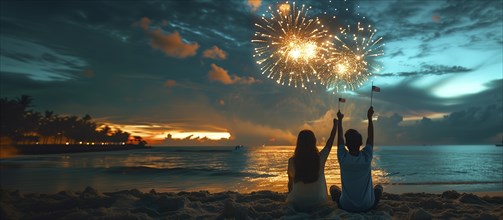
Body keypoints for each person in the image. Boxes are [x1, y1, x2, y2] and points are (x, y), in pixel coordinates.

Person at [330, 106, 383, 212]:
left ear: (346, 144)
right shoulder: (366, 157)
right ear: (361, 143)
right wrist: (369, 118)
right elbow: (370, 137)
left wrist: (340, 120)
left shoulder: (343, 158)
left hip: (346, 206)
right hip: (368, 205)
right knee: (379, 187)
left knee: (333, 188)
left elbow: (340, 138)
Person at [286, 118, 337, 211]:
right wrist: (335, 126)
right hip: (318, 201)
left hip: (298, 203)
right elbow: (329, 143)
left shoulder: (292, 161)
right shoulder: (320, 158)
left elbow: (290, 185)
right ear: (314, 142)